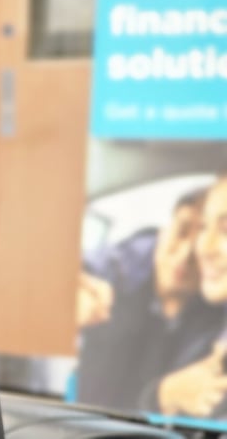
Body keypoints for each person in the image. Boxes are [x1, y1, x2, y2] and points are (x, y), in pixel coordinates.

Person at [77, 188, 223, 412]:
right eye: (182, 231)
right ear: (163, 231)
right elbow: (84, 269)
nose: (186, 255)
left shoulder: (213, 320)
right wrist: (76, 288)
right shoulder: (122, 270)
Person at [150, 177, 227, 418]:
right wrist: (164, 394)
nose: (203, 247)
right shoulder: (206, 340)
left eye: (226, 229)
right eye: (204, 226)